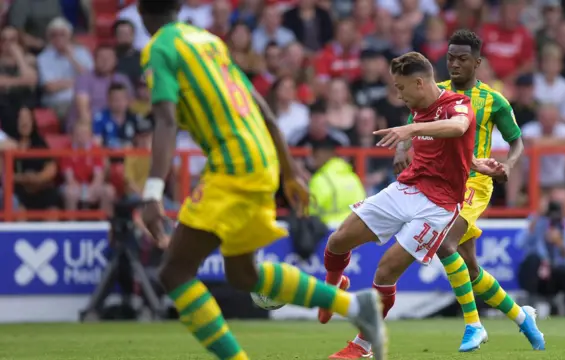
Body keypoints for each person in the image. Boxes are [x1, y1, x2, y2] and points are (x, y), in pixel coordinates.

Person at [135, 2, 388, 360]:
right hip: (261, 159)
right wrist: (287, 169)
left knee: (175, 271)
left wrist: (152, 192)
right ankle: (355, 306)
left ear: (141, 11)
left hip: (233, 163)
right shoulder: (208, 42)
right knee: (242, 274)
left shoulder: (159, 48)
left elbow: (164, 122)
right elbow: (263, 108)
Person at [325, 30, 544, 359]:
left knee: (445, 245)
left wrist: (508, 167)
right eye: (450, 57)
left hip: (471, 186)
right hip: (422, 181)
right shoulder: (430, 91)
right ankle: (520, 315)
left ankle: (472, 323)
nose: (455, 63)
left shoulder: (486, 100)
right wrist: (403, 143)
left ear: (477, 63)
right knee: (470, 268)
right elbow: (423, 126)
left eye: (462, 58)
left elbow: (494, 136)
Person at [516, 196, 565, 316]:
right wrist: (537, 217)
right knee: (533, 259)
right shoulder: (538, 222)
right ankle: (532, 305)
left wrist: (560, 244)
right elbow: (519, 243)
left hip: (555, 275)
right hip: (535, 274)